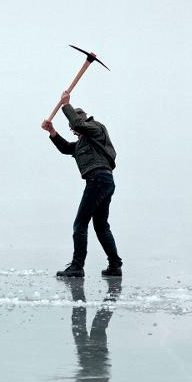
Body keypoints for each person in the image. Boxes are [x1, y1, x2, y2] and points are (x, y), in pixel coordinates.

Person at [40, 91, 123, 278]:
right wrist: (52, 132)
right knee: (101, 226)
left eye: (74, 127)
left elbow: (79, 124)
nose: (74, 131)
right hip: (104, 181)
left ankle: (77, 267)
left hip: (98, 180)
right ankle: (115, 266)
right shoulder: (83, 143)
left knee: (80, 224)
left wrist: (66, 104)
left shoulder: (96, 128)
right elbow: (66, 148)